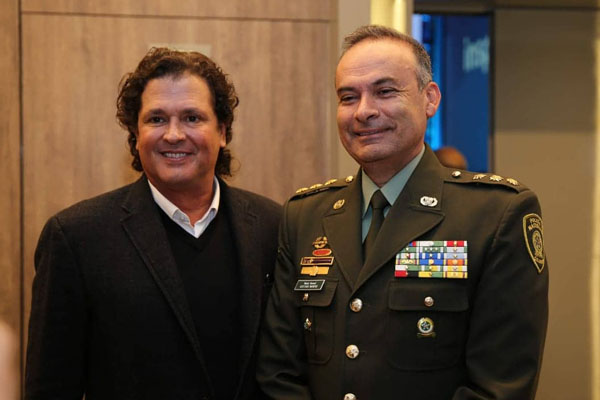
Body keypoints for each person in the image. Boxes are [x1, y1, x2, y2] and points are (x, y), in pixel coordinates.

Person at [257, 25, 548, 400]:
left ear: (430, 99)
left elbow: (501, 386)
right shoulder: (305, 216)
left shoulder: (495, 215)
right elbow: (278, 372)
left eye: (385, 92)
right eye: (348, 97)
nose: (364, 111)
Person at [25, 48, 281, 400]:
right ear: (136, 133)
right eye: (157, 119)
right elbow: (50, 387)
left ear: (222, 131)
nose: (174, 134)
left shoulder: (272, 227)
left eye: (192, 118)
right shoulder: (75, 238)